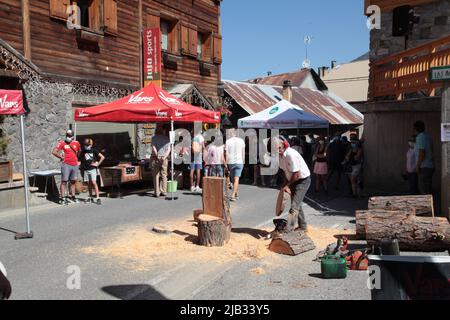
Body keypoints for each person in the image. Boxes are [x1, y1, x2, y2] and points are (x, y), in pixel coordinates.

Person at [272, 136, 311, 232]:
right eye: (275, 149)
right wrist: (285, 184)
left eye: (279, 148)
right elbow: (285, 171)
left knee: (294, 206)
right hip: (293, 180)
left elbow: (297, 174)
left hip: (302, 180)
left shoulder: (290, 154)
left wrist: (287, 185)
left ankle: (289, 228)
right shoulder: (279, 156)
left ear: (284, 145)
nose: (278, 151)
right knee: (297, 204)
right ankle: (303, 226)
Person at [52, 130, 81, 204]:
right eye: (67, 135)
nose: (68, 137)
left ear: (73, 136)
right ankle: (62, 198)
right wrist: (61, 157)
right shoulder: (62, 143)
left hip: (74, 164)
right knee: (64, 181)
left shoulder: (76, 143)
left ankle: (73, 196)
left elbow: (79, 151)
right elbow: (54, 152)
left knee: (73, 181)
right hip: (66, 164)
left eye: (70, 135)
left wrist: (77, 159)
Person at [79, 138, 105, 204]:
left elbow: (102, 157)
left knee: (94, 182)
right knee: (89, 184)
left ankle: (98, 198)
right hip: (85, 169)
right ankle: (90, 197)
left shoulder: (94, 150)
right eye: (85, 144)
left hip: (92, 169)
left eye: (87, 145)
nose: (86, 146)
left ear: (90, 144)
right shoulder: (83, 151)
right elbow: (80, 160)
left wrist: (97, 164)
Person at [414, 121, 435, 195]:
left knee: (423, 189)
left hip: (424, 167)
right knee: (427, 189)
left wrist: (417, 165)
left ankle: (426, 206)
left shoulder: (420, 137)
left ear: (415, 129)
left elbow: (422, 153)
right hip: (429, 166)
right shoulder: (427, 136)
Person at [151, 125, 171, 198]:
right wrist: (164, 157)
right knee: (164, 175)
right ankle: (164, 191)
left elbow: (154, 148)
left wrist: (157, 156)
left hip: (155, 158)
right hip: (164, 158)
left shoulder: (154, 138)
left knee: (156, 175)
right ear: (163, 130)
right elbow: (169, 149)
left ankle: (157, 192)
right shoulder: (167, 138)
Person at [226, 129, 246, 201]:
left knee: (232, 178)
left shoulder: (228, 141)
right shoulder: (241, 141)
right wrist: (243, 161)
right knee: (236, 178)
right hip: (239, 161)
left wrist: (226, 163)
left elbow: (227, 154)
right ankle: (234, 194)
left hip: (231, 162)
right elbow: (243, 152)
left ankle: (234, 193)